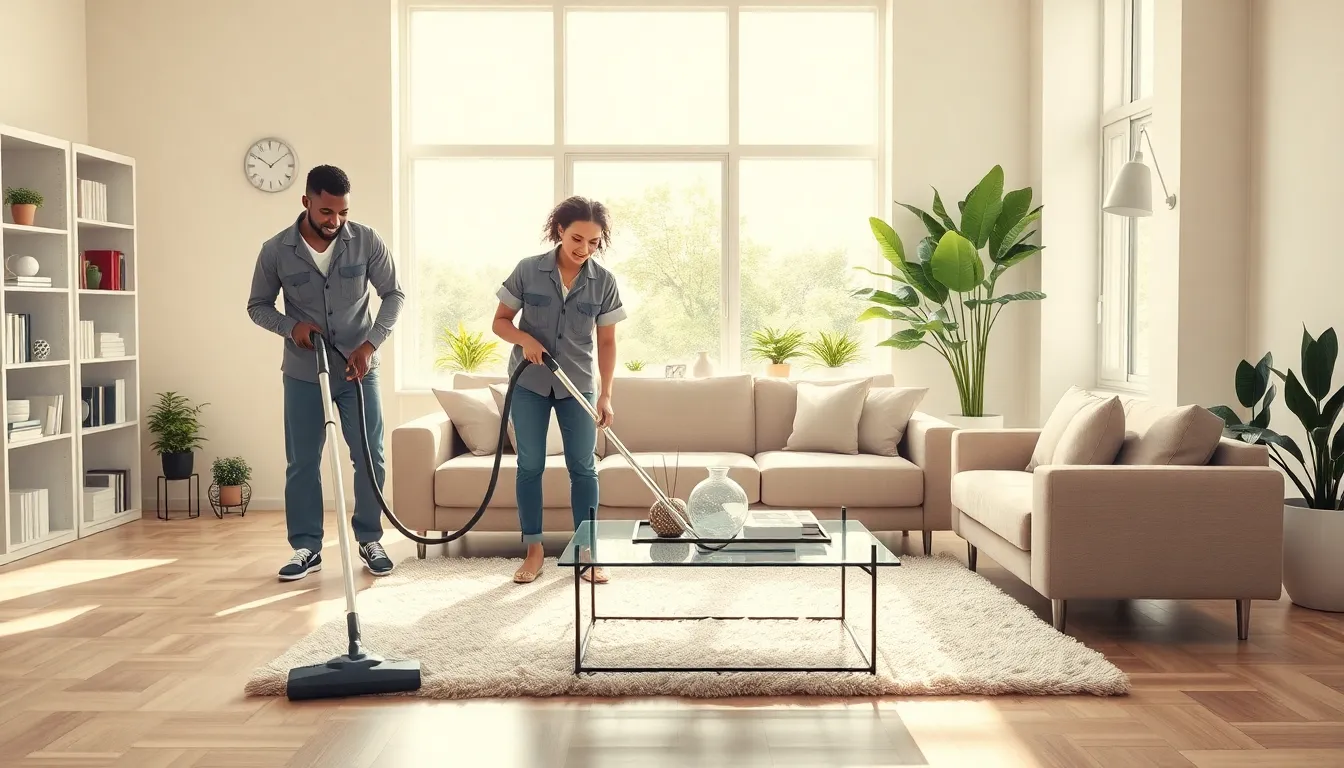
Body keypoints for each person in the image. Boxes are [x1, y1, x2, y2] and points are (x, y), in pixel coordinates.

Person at [246, 165, 405, 582]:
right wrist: (290, 327)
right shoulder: (275, 250)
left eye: (343, 213)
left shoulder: (367, 241)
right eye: (326, 212)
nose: (335, 221)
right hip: (303, 372)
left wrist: (371, 344)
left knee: (370, 456)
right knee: (302, 462)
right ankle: (306, 547)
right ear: (306, 202)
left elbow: (394, 294)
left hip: (358, 370)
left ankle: (371, 539)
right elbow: (258, 306)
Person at [492, 196, 626, 585]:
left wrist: (605, 395)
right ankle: (534, 550)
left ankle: (587, 550)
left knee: (583, 467)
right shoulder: (527, 271)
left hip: (578, 384)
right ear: (560, 232)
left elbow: (607, 343)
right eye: (577, 239)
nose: (584, 249)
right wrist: (524, 339)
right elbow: (500, 322)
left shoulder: (604, 282)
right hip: (529, 382)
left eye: (594, 242)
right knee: (529, 465)